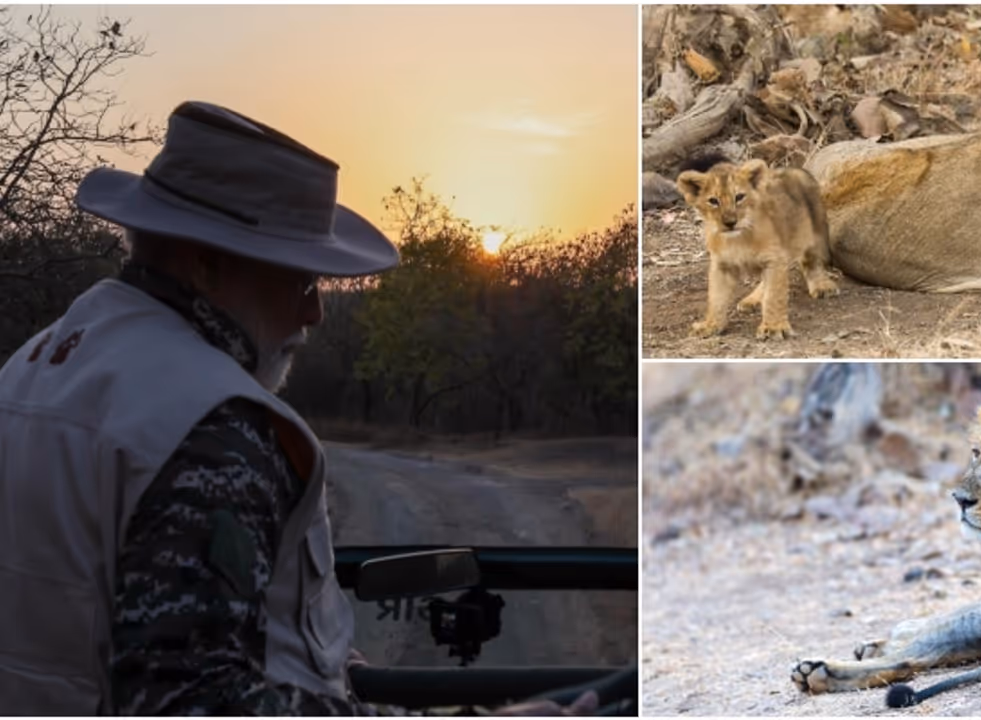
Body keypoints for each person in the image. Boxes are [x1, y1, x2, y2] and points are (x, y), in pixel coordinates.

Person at [0, 101, 597, 716]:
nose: (313, 312)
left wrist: (321, 664)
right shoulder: (212, 425)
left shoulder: (33, 366)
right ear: (206, 263)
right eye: (303, 281)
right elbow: (198, 702)